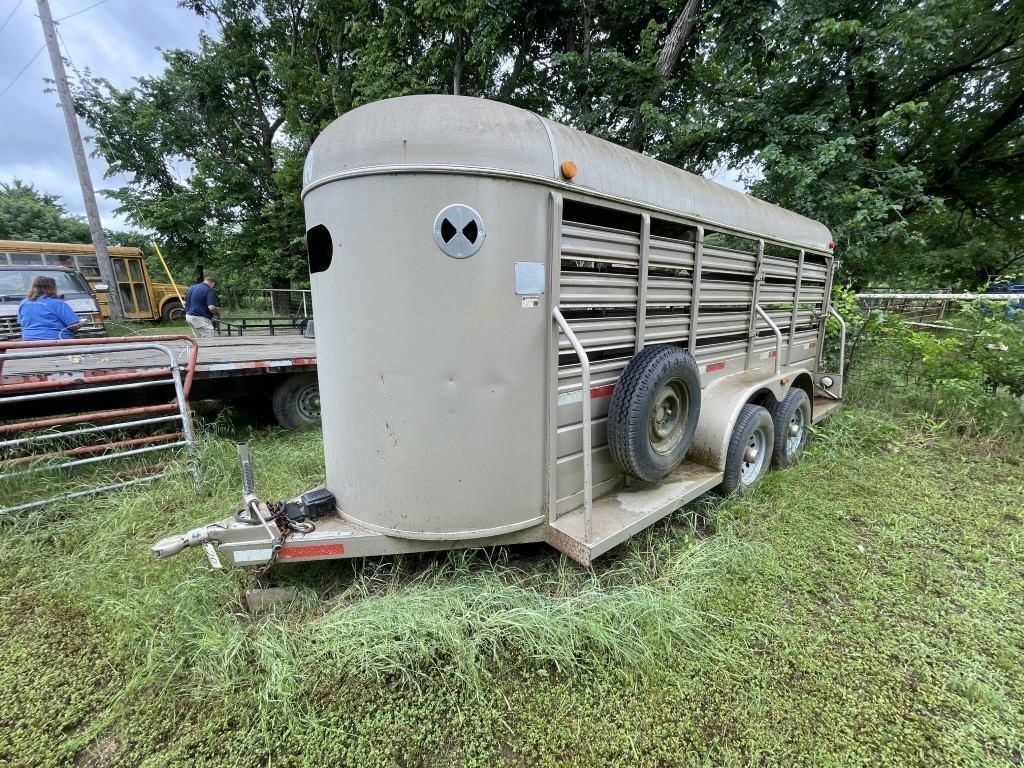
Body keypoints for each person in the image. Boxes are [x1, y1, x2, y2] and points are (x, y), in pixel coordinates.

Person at [18, 275, 83, 341]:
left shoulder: (23, 303)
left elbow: (20, 322)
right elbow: (73, 325)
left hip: (28, 340)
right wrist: (81, 323)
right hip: (56, 340)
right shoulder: (58, 304)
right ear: (52, 288)